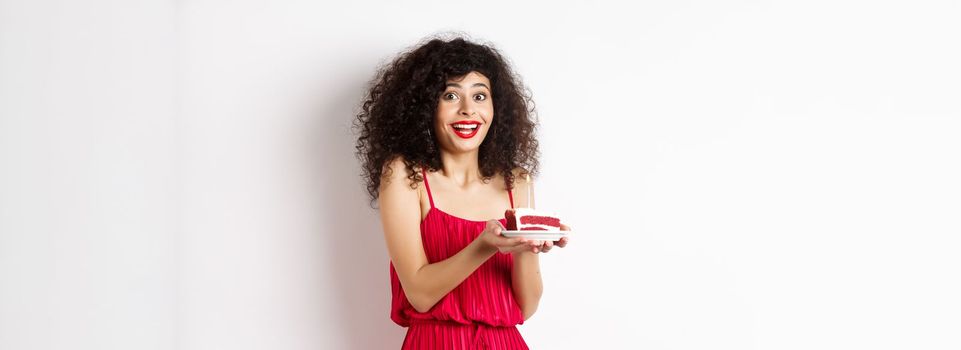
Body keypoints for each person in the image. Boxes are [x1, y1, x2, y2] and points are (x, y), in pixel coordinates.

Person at [355, 35, 570, 349]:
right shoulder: (404, 175)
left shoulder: (516, 181)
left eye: (480, 96)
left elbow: (526, 307)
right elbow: (420, 294)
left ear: (497, 107)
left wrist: (527, 247)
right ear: (426, 106)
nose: (468, 110)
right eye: (451, 96)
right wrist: (485, 244)